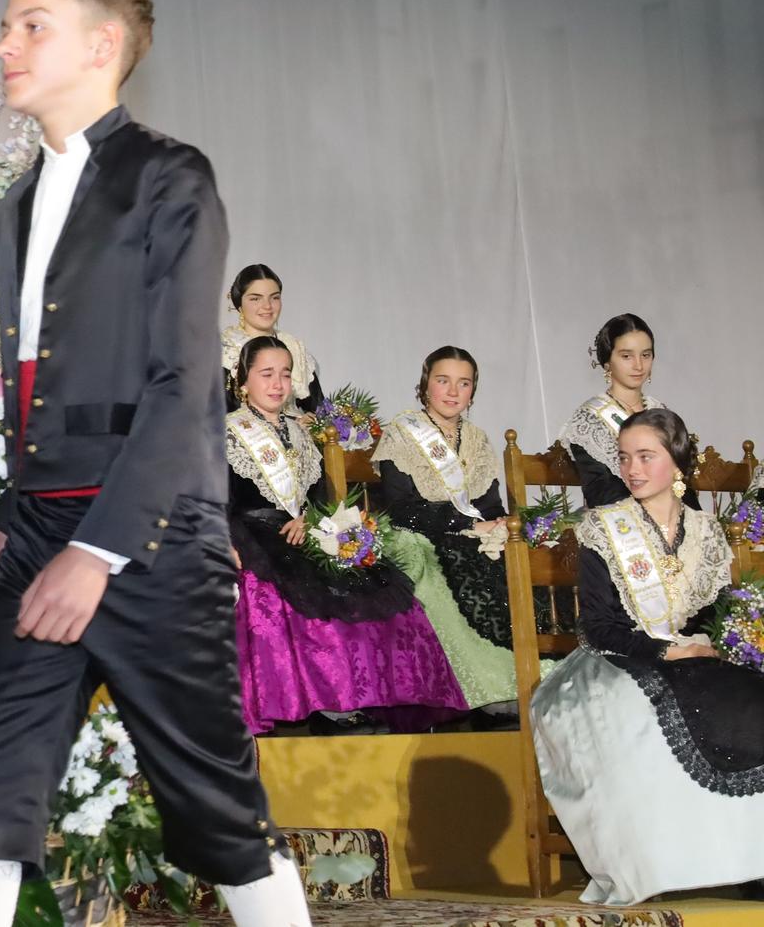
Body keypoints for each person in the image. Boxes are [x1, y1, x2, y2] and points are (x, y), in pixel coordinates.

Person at [0, 0, 308, 926]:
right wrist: (6, 524)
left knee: (216, 810)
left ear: (101, 45)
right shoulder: (14, 205)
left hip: (150, 542)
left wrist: (95, 552)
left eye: (29, 25)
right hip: (37, 541)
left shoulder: (167, 177)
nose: (1, 44)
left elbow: (181, 387)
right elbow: (45, 394)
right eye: (6, 24)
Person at [531, 408, 764, 904]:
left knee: (749, 697)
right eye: (624, 458)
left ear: (677, 463)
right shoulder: (601, 527)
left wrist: (702, 641)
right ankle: (662, 865)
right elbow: (600, 625)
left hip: (692, 657)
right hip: (611, 659)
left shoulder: (707, 533)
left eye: (645, 456)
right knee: (648, 706)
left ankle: (751, 860)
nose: (632, 469)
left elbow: (713, 610)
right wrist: (666, 649)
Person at [224, 336, 465, 733]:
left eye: (286, 374)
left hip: (307, 533)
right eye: (266, 374)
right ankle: (328, 704)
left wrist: (314, 519)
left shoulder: (301, 434)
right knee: (296, 596)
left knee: (370, 585)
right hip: (252, 533)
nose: (278, 384)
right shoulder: (227, 432)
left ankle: (375, 699)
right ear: (243, 381)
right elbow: (214, 498)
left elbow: (321, 497)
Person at [371, 346, 519, 711]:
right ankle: (485, 688)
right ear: (425, 386)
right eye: (443, 381)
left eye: (463, 383)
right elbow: (400, 508)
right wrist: (468, 524)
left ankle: (523, 674)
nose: (453, 392)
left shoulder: (477, 440)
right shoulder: (402, 434)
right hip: (419, 534)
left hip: (469, 534)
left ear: (472, 391)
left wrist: (496, 524)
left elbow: (490, 505)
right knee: (447, 563)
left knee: (510, 555)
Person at [555, 313, 670, 509]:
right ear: (607, 361)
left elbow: (680, 482)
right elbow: (602, 493)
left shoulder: (660, 411)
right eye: (627, 356)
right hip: (622, 524)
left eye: (646, 355)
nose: (639, 365)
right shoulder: (590, 420)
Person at [220, 263, 323, 415]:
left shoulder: (292, 347)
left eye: (274, 298)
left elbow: (318, 409)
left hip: (296, 436)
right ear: (239, 303)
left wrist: (311, 422)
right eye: (255, 299)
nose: (267, 306)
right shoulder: (224, 352)